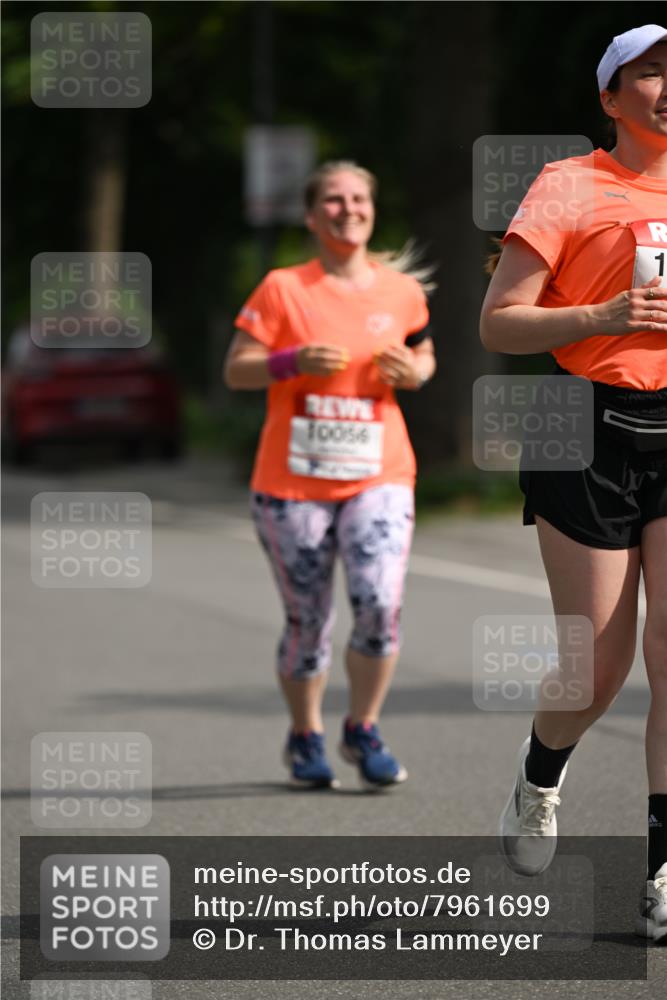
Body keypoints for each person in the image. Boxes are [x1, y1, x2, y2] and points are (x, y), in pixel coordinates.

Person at [480, 24, 667, 941]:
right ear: (609, 96)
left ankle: (662, 870)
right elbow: (499, 323)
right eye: (650, 72)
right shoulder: (568, 184)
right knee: (594, 667)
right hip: (580, 423)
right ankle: (538, 775)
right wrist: (599, 311)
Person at [224, 161, 436, 791]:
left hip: (380, 475)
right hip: (293, 484)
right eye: (334, 201)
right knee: (308, 621)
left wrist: (416, 371)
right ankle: (306, 734)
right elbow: (237, 368)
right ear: (313, 217)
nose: (348, 209)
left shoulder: (400, 291)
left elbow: (424, 349)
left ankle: (362, 728)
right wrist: (290, 360)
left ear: (372, 210)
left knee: (378, 603)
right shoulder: (284, 288)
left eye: (359, 199)